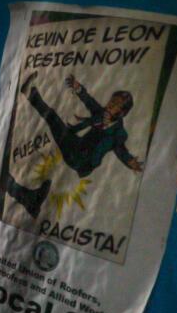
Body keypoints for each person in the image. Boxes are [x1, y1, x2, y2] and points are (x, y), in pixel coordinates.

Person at [7, 72, 145, 217]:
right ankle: (31, 94)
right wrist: (78, 88)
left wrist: (130, 161)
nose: (110, 105)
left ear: (121, 112)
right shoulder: (100, 113)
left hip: (81, 160)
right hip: (76, 145)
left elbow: (121, 150)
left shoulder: (119, 133)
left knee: (54, 120)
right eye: (112, 101)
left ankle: (31, 94)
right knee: (53, 119)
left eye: (116, 105)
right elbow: (89, 101)